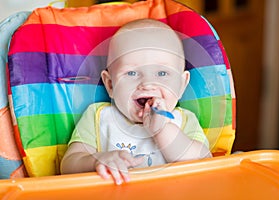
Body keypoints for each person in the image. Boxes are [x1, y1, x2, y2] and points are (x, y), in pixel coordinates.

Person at [60, 18, 212, 185]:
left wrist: (162, 130)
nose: (147, 83)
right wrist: (96, 160)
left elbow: (205, 161)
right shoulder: (98, 116)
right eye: (132, 73)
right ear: (110, 84)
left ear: (182, 84)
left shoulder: (183, 120)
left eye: (162, 73)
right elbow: (68, 165)